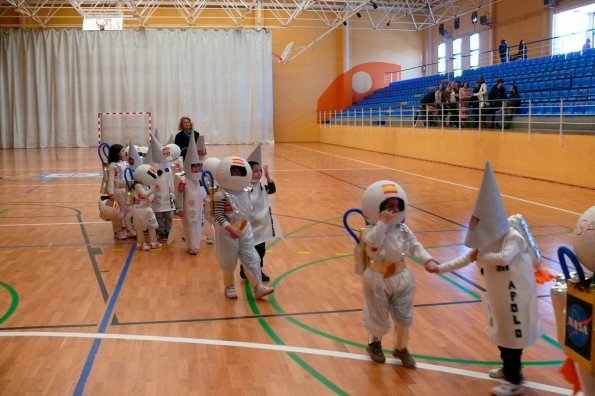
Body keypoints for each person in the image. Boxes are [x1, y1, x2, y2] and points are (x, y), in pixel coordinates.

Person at [426, 161, 541, 396]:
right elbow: (468, 258)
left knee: (512, 334)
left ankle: (514, 380)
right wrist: (440, 268)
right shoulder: (488, 237)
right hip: (498, 293)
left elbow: (502, 258)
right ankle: (509, 368)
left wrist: (481, 256)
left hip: (515, 293)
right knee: (502, 333)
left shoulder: (514, 236)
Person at [359, 180, 436, 368]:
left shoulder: (403, 229)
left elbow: (414, 246)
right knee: (377, 313)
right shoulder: (369, 231)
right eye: (388, 206)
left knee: (404, 315)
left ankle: (401, 348)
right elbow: (374, 242)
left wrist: (427, 260)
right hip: (377, 278)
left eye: (396, 206)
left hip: (401, 277)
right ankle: (374, 343)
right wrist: (383, 223)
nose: (393, 210)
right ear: (377, 208)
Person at [212, 156, 275, 300]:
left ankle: (257, 286)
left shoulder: (245, 191)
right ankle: (229, 286)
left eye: (240, 172)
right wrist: (228, 228)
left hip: (245, 229)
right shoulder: (221, 194)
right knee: (228, 260)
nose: (238, 176)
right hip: (227, 233)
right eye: (234, 172)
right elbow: (219, 215)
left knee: (252, 257)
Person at [239, 145, 279, 282]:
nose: (258, 173)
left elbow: (272, 190)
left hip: (262, 226)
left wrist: (268, 176)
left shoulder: (262, 186)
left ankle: (258, 270)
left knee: (261, 251)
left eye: (259, 171)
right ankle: (244, 270)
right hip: (249, 226)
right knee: (249, 250)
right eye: (254, 171)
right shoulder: (244, 188)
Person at [173, 134, 206, 255]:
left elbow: (204, 191)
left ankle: (195, 245)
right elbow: (180, 194)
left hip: (199, 209)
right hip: (188, 209)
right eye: (193, 167)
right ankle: (191, 245)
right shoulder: (183, 180)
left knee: (198, 227)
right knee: (189, 226)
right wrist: (180, 208)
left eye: (197, 166)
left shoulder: (200, 179)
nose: (196, 169)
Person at [106, 143, 135, 240]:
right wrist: (111, 193)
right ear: (117, 153)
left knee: (129, 210)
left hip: (127, 190)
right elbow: (110, 180)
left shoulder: (126, 163)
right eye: (122, 151)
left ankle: (130, 229)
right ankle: (117, 231)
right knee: (119, 211)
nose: (125, 152)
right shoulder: (113, 165)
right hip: (118, 190)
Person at [132, 164, 161, 251]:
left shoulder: (146, 185)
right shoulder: (138, 186)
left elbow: (149, 196)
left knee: (152, 225)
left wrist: (153, 190)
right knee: (140, 227)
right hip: (140, 209)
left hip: (147, 208)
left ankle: (153, 242)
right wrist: (152, 189)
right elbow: (144, 195)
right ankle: (141, 243)